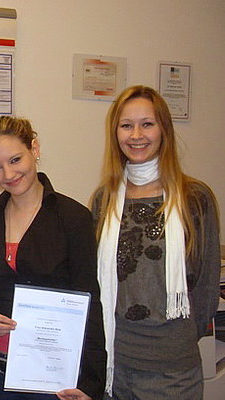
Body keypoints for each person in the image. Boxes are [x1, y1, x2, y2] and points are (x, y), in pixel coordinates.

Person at [92, 85, 221, 399]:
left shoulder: (195, 198)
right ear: (115, 133)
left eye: (147, 124)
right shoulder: (104, 200)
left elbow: (206, 287)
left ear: (164, 129)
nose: (136, 135)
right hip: (116, 363)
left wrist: (175, 341)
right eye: (126, 125)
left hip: (173, 370)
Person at [0, 116, 106, 400]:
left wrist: (91, 383)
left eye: (15, 160)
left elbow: (89, 301)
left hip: (52, 375)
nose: (8, 174)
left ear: (34, 149)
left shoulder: (73, 218)